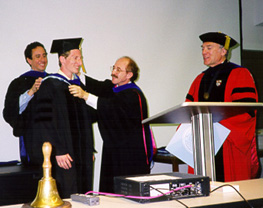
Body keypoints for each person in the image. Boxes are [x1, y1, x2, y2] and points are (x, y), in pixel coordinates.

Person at [69, 56, 155, 193]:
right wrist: (78, 74)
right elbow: (98, 86)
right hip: (114, 151)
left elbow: (111, 107)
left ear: (129, 75)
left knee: (127, 196)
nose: (113, 72)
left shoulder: (134, 95)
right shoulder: (115, 88)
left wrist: (85, 95)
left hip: (130, 155)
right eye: (113, 68)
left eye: (118, 69)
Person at [185, 32, 259, 182]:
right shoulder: (199, 79)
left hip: (228, 144)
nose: (204, 52)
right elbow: (188, 111)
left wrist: (216, 125)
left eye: (209, 47)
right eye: (203, 48)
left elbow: (246, 112)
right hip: (203, 144)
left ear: (223, 51)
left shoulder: (239, 74)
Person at [27, 38, 95, 198]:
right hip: (64, 154)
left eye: (80, 58)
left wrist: (88, 148)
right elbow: (44, 122)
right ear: (62, 59)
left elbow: (85, 122)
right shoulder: (49, 85)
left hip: (81, 154)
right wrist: (58, 150)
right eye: (75, 58)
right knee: (66, 194)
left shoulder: (78, 86)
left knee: (83, 193)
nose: (80, 62)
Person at [3, 41, 48, 165]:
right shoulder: (19, 83)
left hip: (52, 137)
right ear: (29, 60)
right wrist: (31, 91)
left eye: (44, 55)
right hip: (32, 138)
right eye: (37, 56)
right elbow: (10, 111)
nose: (42, 59)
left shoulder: (52, 80)